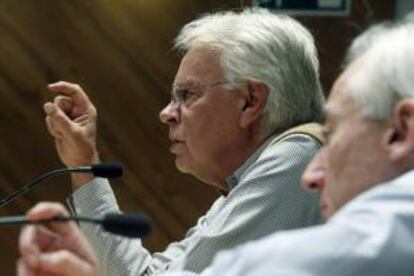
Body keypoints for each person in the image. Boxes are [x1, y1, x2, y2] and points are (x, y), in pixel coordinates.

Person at [18, 17, 414, 276]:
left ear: (250, 101)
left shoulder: (295, 155)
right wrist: (84, 163)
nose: (166, 113)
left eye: (186, 95)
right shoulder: (247, 175)